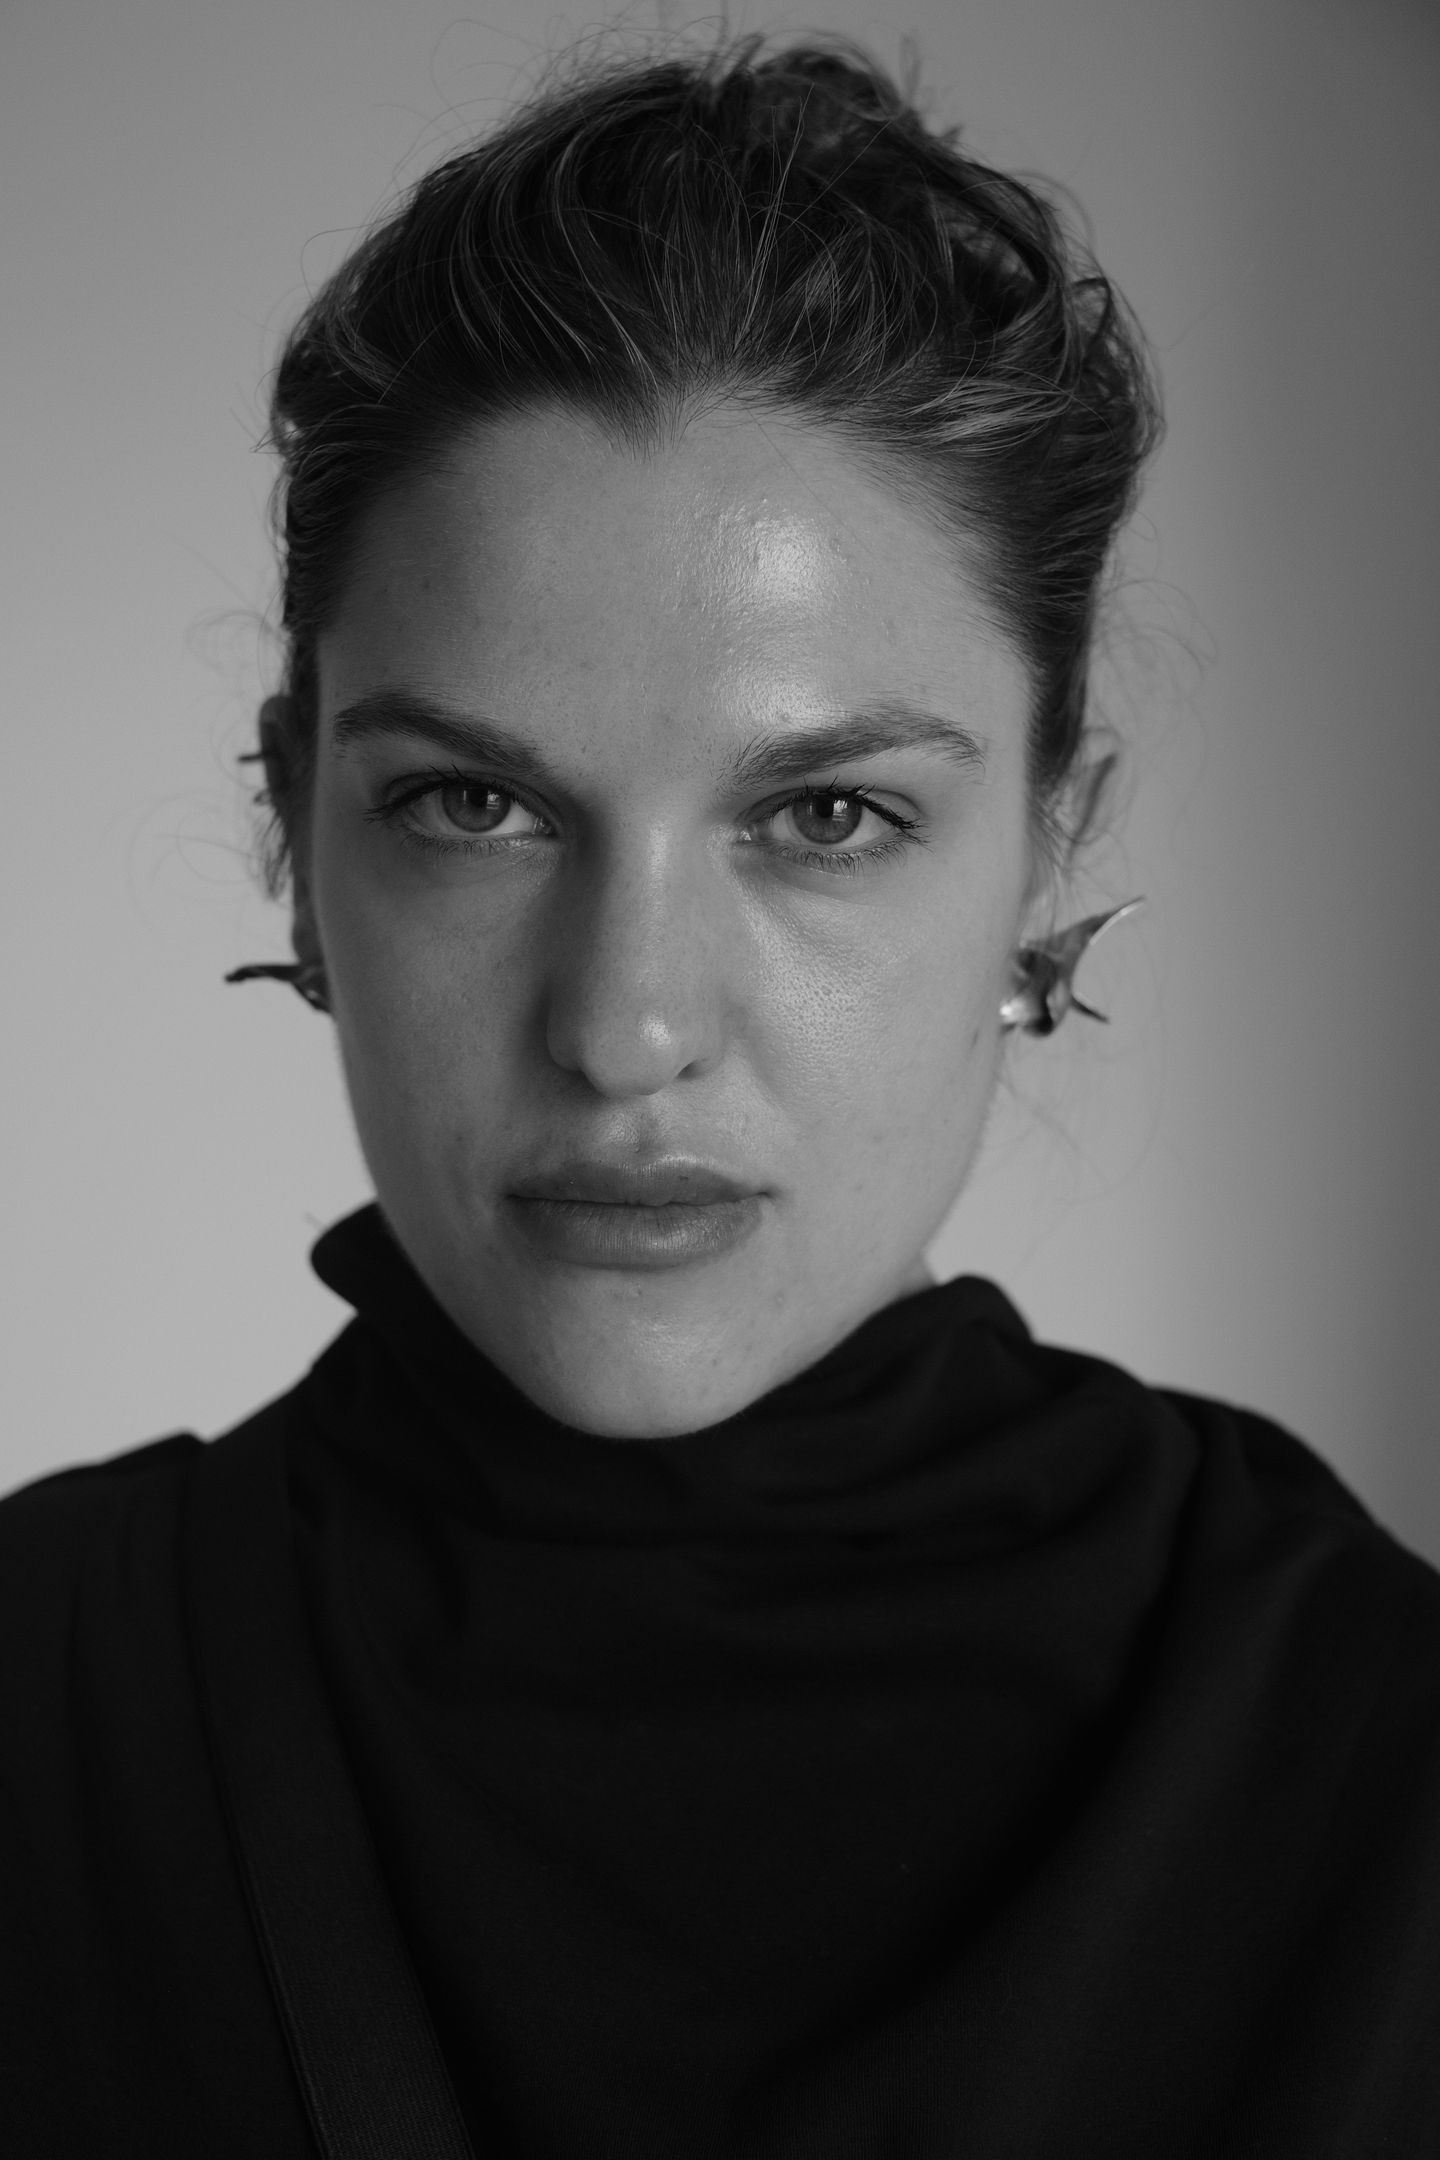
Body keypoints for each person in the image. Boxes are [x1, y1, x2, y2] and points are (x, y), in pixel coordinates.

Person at [2, 34, 1438, 2160]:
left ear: (1048, 857)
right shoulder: (39, 1705)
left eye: (828, 816)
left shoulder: (1370, 1755)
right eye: (472, 804)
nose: (625, 1027)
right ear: (296, 831)